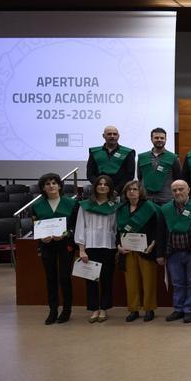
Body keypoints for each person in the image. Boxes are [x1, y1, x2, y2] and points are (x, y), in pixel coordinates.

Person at [157, 180, 191, 324]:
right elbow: (160, 233)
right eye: (174, 190)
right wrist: (160, 254)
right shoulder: (166, 209)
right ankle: (178, 309)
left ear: (188, 190)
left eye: (181, 189)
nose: (178, 192)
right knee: (178, 283)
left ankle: (189, 310)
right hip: (173, 252)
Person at [32, 173, 78, 325]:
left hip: (65, 245)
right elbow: (36, 226)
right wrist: (40, 237)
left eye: (54, 183)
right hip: (47, 245)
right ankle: (52, 310)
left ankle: (67, 309)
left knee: (64, 277)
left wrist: (66, 233)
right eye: (47, 184)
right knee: (50, 278)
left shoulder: (71, 203)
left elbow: (75, 226)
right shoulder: (37, 206)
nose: (51, 186)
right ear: (43, 188)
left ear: (59, 185)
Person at [116, 180, 163, 323]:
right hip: (127, 251)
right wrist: (118, 245)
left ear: (140, 191)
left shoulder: (150, 207)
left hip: (146, 250)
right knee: (131, 282)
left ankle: (149, 309)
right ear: (125, 192)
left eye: (135, 189)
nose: (132, 191)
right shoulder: (121, 208)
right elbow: (116, 231)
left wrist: (153, 244)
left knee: (148, 281)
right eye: (129, 189)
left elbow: (158, 229)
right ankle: (133, 309)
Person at [74, 175, 119, 323]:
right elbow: (80, 226)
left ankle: (104, 309)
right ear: (95, 187)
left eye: (106, 184)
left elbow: (116, 227)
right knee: (91, 279)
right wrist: (81, 249)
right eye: (99, 184)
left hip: (108, 246)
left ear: (110, 188)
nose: (102, 186)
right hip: (90, 246)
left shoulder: (114, 205)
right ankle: (94, 309)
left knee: (106, 278)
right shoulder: (85, 205)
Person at [137, 127, 181, 205]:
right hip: (146, 198)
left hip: (166, 199)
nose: (159, 140)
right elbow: (140, 176)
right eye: (156, 138)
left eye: (162, 138)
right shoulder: (142, 157)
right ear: (151, 139)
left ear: (165, 139)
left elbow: (177, 178)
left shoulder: (173, 158)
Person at [86, 125, 135, 194]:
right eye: (109, 134)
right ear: (103, 136)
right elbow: (90, 174)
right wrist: (99, 186)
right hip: (98, 191)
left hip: (119, 192)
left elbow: (130, 175)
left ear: (118, 136)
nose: (112, 136)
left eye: (115, 134)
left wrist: (117, 190)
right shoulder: (95, 152)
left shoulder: (128, 152)